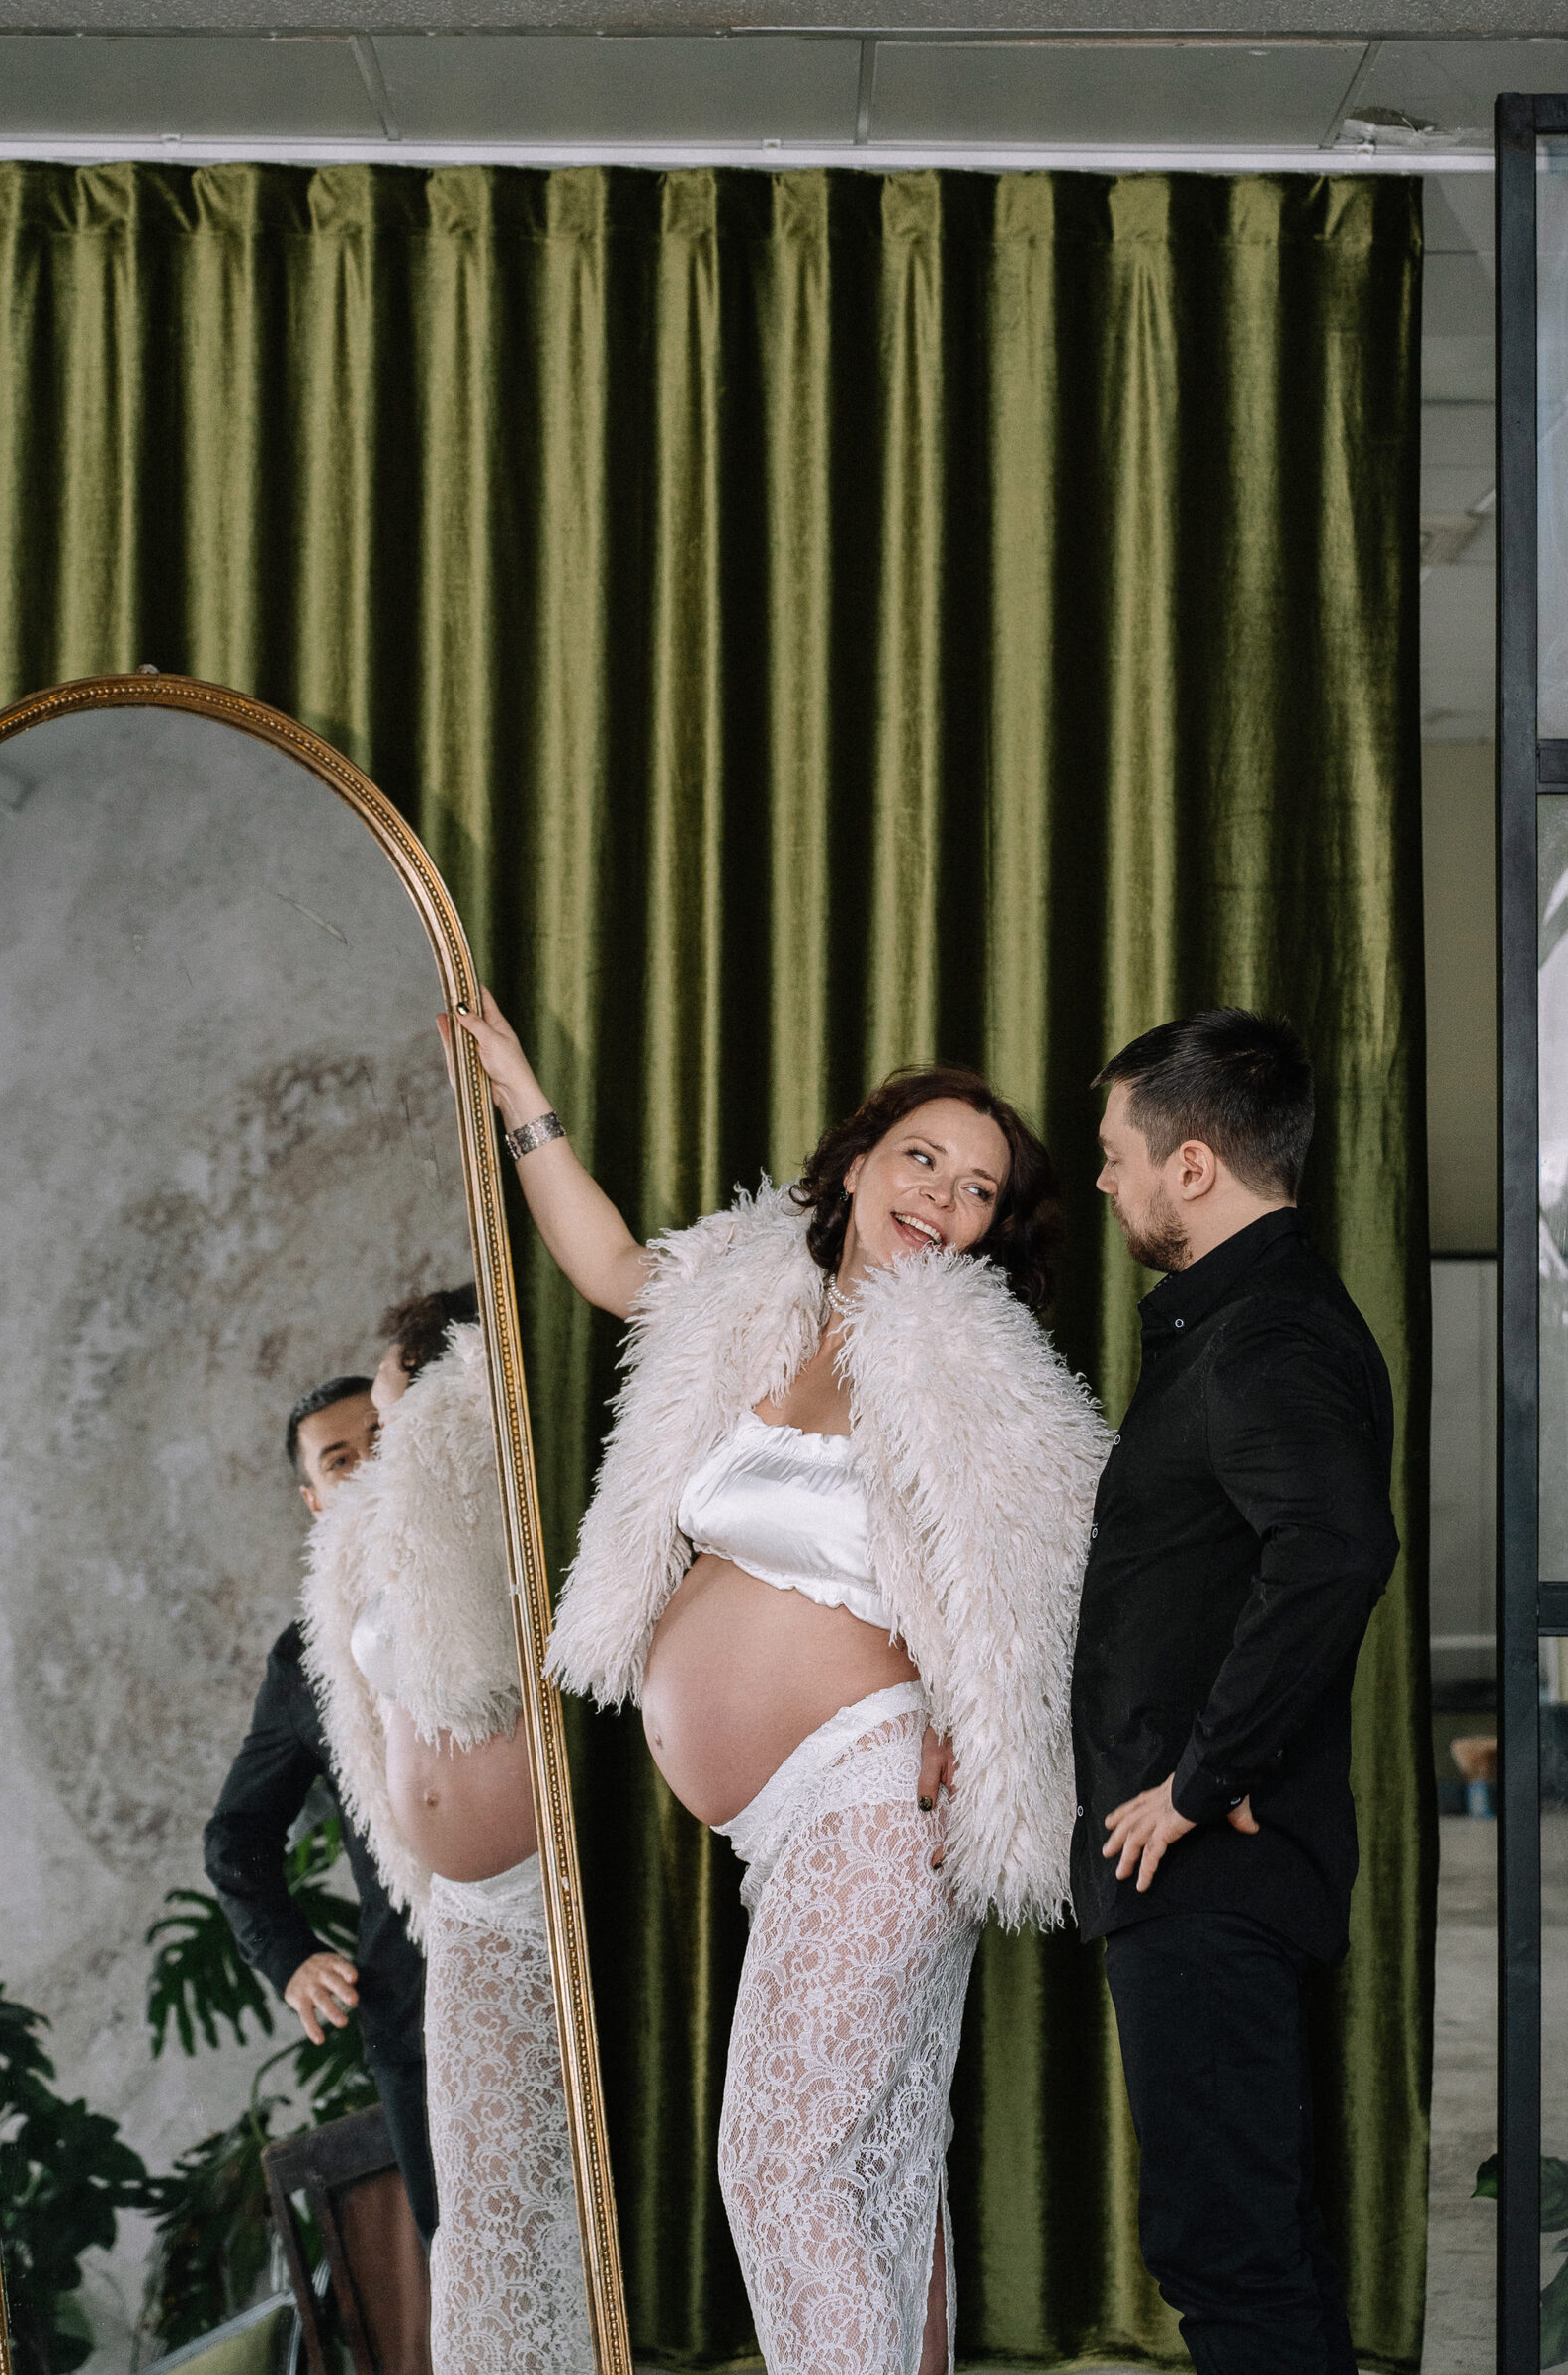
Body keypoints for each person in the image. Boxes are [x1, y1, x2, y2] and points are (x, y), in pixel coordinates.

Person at [448, 990, 1111, 2375]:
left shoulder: (962, 1353)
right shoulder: (758, 1297)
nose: (943, 1195)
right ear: (857, 1162)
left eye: (978, 1188)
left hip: (873, 1799)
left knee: (781, 2165)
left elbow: (1054, 1556)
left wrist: (987, 1725)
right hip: (793, 1824)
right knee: (874, 2167)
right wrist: (523, 1102)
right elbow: (614, 1265)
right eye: (922, 1156)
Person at [1072, 1009, 1400, 2375]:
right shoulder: (1249, 1321)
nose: (1105, 1179)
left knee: (1231, 2253)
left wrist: (1205, 1780)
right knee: (1249, 2243)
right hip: (1209, 1869)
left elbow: (1335, 1547)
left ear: (1192, 1165)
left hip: (1209, 1871)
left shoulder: (1264, 1334)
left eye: (1117, 1152)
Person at [301, 1284, 593, 2375]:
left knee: (579, 2166)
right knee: (485, 2198)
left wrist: (448, 1399)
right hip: (460, 1911)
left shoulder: (476, 1467)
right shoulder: (368, 1544)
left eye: (391, 1390)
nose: (380, 1422)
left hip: (541, 1880)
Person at [205, 1374, 437, 2243]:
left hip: (568, 1943)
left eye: (381, 1436)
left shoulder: (509, 1549)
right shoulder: (303, 1661)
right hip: (414, 2004)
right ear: (315, 1499)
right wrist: (290, 1956)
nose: (368, 1465)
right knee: (474, 2254)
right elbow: (236, 1835)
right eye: (340, 1460)